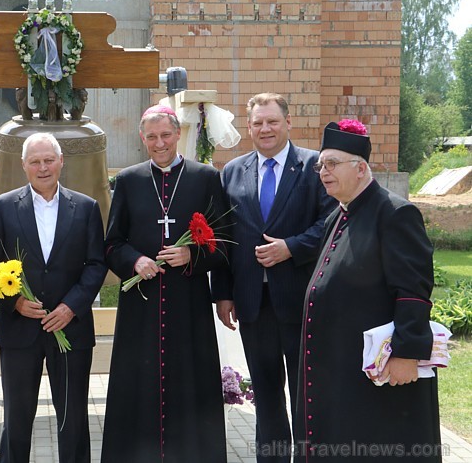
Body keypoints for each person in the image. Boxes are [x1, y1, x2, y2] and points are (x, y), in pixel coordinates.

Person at [295, 120, 442, 462]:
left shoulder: (394, 213)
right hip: (342, 369)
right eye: (320, 165)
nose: (323, 172)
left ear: (360, 168)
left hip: (382, 375)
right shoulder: (337, 217)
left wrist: (407, 353)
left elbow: (413, 289)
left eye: (331, 164)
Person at [101, 105, 229, 462]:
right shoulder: (129, 180)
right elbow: (112, 244)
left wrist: (193, 257)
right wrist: (134, 261)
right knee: (137, 384)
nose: (160, 143)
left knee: (190, 383)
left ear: (178, 135)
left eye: (166, 135)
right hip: (140, 304)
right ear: (143, 139)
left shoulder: (205, 178)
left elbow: (225, 242)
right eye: (152, 137)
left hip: (187, 305)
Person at [213, 93, 333, 462]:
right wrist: (223, 294)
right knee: (265, 392)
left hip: (302, 300)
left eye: (272, 121)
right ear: (248, 128)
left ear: (288, 122)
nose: (265, 129)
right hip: (253, 302)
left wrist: (291, 247)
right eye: (258, 123)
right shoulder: (232, 172)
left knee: (305, 391)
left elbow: (330, 223)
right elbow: (222, 237)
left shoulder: (315, 167)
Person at [0, 132, 107, 463]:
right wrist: (14, 301)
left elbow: (96, 263)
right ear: (23, 165)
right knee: (17, 419)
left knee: (74, 419)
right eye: (35, 161)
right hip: (20, 332)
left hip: (72, 329)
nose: (43, 167)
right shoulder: (3, 207)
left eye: (48, 160)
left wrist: (72, 307)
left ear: (61, 162)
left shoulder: (85, 207)